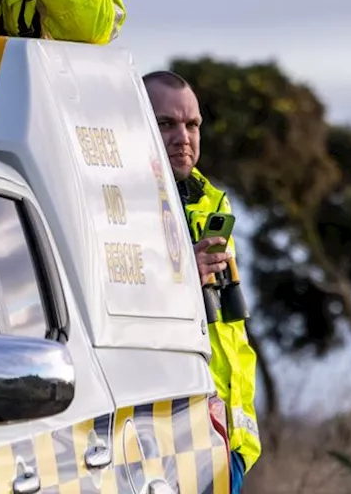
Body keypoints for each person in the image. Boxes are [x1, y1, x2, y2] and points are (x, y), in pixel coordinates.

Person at [142, 70, 262, 494]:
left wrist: (238, 448)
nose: (183, 137)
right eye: (165, 124)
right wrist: (180, 278)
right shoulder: (122, 206)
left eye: (192, 125)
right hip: (160, 445)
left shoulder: (211, 205)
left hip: (224, 444)